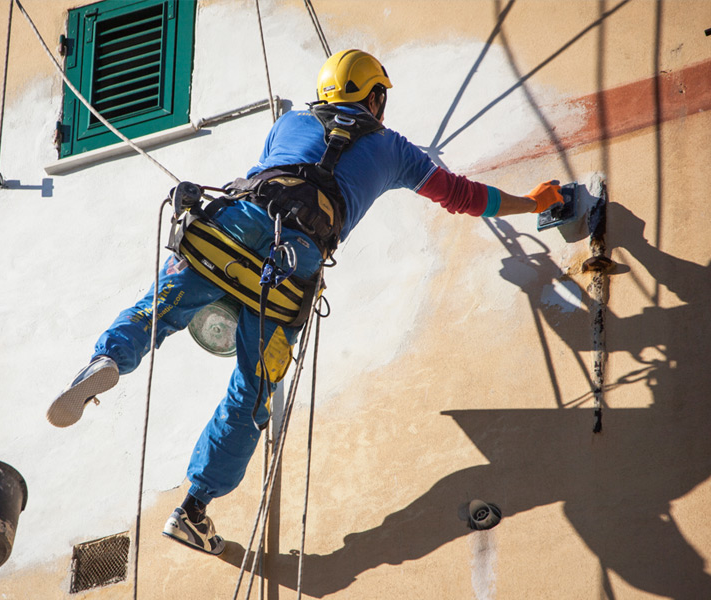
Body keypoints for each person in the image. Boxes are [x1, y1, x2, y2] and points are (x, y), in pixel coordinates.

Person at [47, 49, 563, 555]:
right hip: (295, 262)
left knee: (160, 306)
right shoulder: (394, 150)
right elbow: (464, 196)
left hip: (235, 223)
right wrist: (531, 202)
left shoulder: (290, 122)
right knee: (252, 389)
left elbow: (266, 171)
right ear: (375, 98)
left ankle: (107, 359)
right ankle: (193, 509)